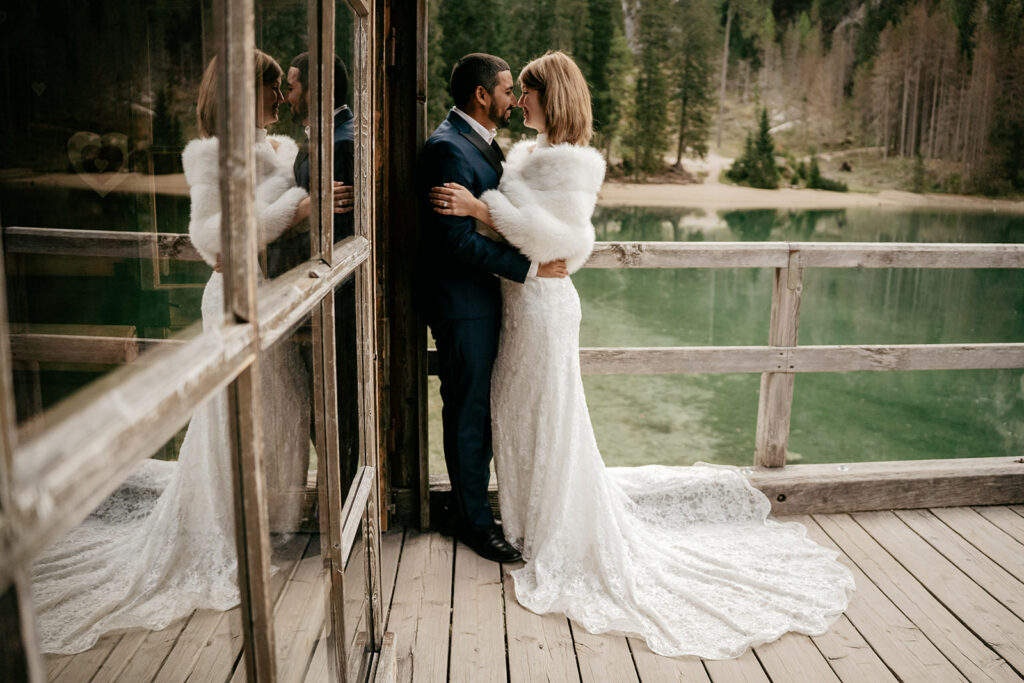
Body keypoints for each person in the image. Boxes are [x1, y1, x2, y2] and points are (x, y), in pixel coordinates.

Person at [428, 50, 854, 659]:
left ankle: (550, 532)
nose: (518, 100)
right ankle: (523, 520)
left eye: (526, 91)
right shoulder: (524, 154)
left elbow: (565, 242)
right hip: (521, 301)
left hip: (544, 306)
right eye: (513, 90)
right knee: (518, 413)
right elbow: (525, 231)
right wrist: (494, 218)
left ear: (552, 96)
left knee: (547, 416)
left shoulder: (571, 165)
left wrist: (482, 209)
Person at [31, 49, 316, 654]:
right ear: (244, 92)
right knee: (234, 415)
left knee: (274, 411)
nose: (276, 98)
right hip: (237, 298)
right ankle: (224, 530)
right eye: (269, 88)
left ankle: (256, 519)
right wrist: (294, 210)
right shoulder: (213, 155)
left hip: (273, 294)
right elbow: (213, 238)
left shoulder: (278, 148)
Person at [416, 53, 569, 563]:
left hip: (484, 298)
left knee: (477, 410)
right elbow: (455, 242)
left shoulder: (478, 143)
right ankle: (474, 523)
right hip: (462, 304)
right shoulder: (445, 149)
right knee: (468, 413)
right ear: (482, 95)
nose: (513, 99)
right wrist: (529, 269)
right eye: (507, 90)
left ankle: (470, 509)